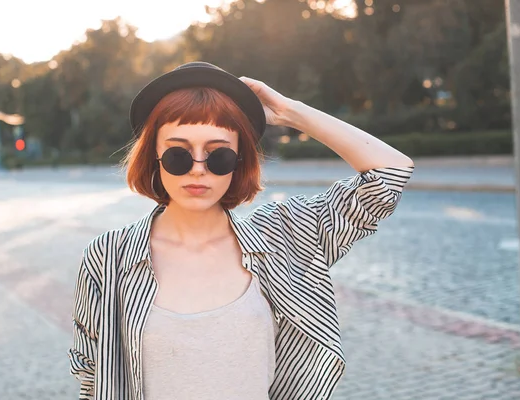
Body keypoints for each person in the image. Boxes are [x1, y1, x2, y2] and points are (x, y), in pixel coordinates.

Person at [68, 62, 414, 400]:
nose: (198, 171)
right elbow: (92, 378)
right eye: (179, 155)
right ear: (154, 156)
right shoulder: (109, 256)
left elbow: (390, 173)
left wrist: (291, 112)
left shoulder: (283, 238)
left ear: (239, 161)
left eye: (218, 155)